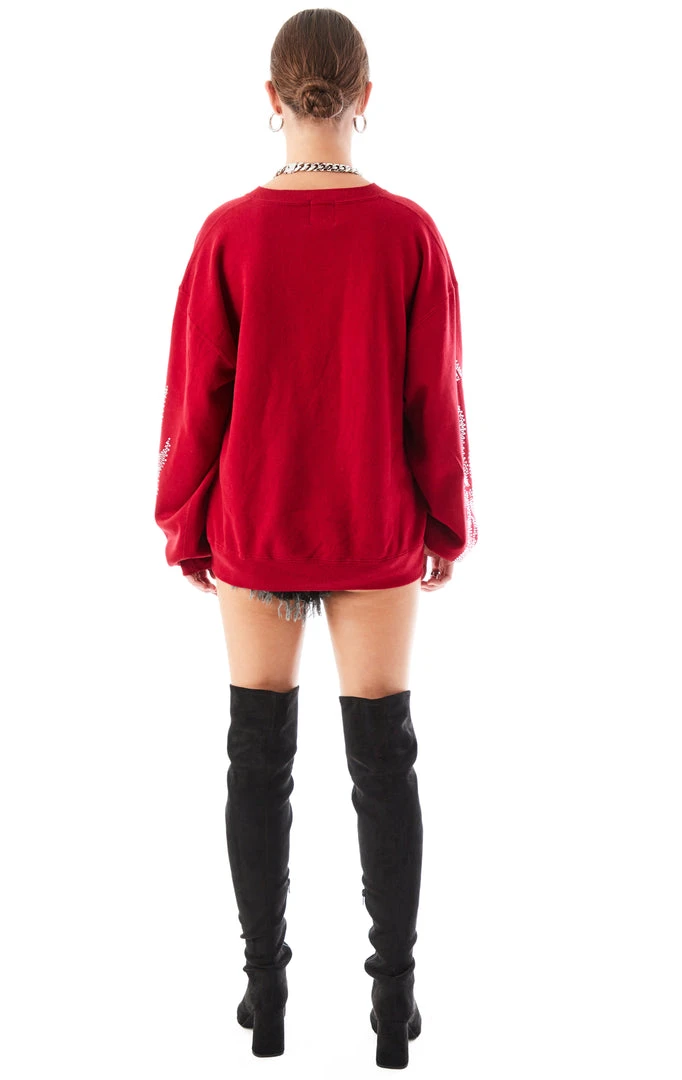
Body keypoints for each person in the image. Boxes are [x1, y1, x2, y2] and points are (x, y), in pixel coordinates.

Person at [154, 7, 478, 1069]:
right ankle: (393, 1006)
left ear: (271, 97)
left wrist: (185, 522)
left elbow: (194, 398)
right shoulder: (409, 233)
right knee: (385, 759)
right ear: (365, 97)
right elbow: (435, 397)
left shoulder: (227, 234)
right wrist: (446, 522)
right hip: (374, 528)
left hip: (256, 527)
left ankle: (267, 997)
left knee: (257, 755)